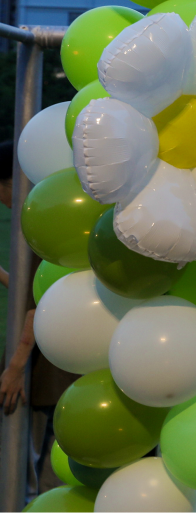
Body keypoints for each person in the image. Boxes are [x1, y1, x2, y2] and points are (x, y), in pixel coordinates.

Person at [0, 141, 79, 495]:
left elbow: (38, 307)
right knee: (55, 473)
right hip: (68, 364)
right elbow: (38, 291)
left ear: (12, 184)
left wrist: (16, 366)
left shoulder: (38, 230)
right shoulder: (61, 220)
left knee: (21, 471)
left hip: (39, 368)